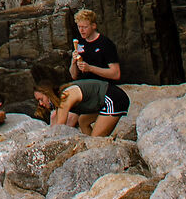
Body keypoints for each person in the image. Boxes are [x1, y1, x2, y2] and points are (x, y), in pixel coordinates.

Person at [53, 9, 129, 137]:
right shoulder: (80, 43)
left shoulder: (105, 44)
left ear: (94, 26)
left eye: (85, 27)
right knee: (82, 120)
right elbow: (73, 75)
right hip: (86, 91)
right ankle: (88, 148)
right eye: (79, 27)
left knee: (83, 126)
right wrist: (73, 62)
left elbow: (116, 74)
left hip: (103, 91)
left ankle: (95, 145)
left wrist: (91, 68)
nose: (81, 30)